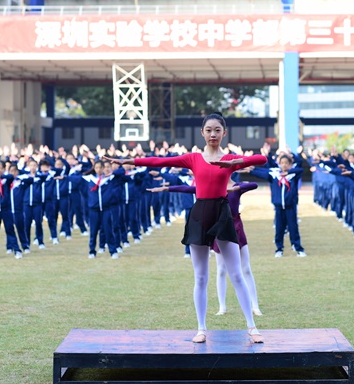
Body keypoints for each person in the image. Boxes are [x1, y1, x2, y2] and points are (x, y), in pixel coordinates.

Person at [106, 113, 267, 344]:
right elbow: (160, 161)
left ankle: (252, 327)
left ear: (224, 133)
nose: (213, 134)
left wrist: (235, 163)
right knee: (200, 276)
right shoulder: (193, 158)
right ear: (202, 133)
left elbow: (262, 159)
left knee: (236, 274)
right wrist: (128, 162)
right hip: (200, 215)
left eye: (217, 130)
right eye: (208, 130)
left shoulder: (231, 158)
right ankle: (201, 328)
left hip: (222, 215)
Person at [152, 177, 262, 316]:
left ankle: (255, 305)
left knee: (245, 268)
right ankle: (222, 307)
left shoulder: (237, 186)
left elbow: (254, 184)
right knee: (221, 269)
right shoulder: (213, 188)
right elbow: (188, 189)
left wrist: (235, 188)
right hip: (219, 229)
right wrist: (167, 188)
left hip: (236, 227)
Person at [245, 154, 306, 258]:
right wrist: (252, 170)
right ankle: (279, 249)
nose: (284, 165)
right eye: (282, 163)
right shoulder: (275, 175)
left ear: (290, 164)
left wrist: (288, 172)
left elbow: (300, 170)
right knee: (279, 229)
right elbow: (263, 173)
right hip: (279, 208)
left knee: (293, 228)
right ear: (279, 164)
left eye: (286, 163)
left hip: (290, 207)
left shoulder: (293, 175)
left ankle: (298, 248)